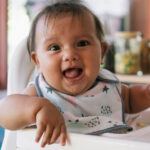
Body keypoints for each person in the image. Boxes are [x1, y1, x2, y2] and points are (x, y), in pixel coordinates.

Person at [0, 1, 150, 148]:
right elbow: (4, 111)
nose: (70, 55)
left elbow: (130, 100)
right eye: (55, 47)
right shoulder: (41, 92)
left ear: (102, 53)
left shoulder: (108, 86)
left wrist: (146, 94)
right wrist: (37, 109)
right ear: (37, 61)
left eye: (82, 43)